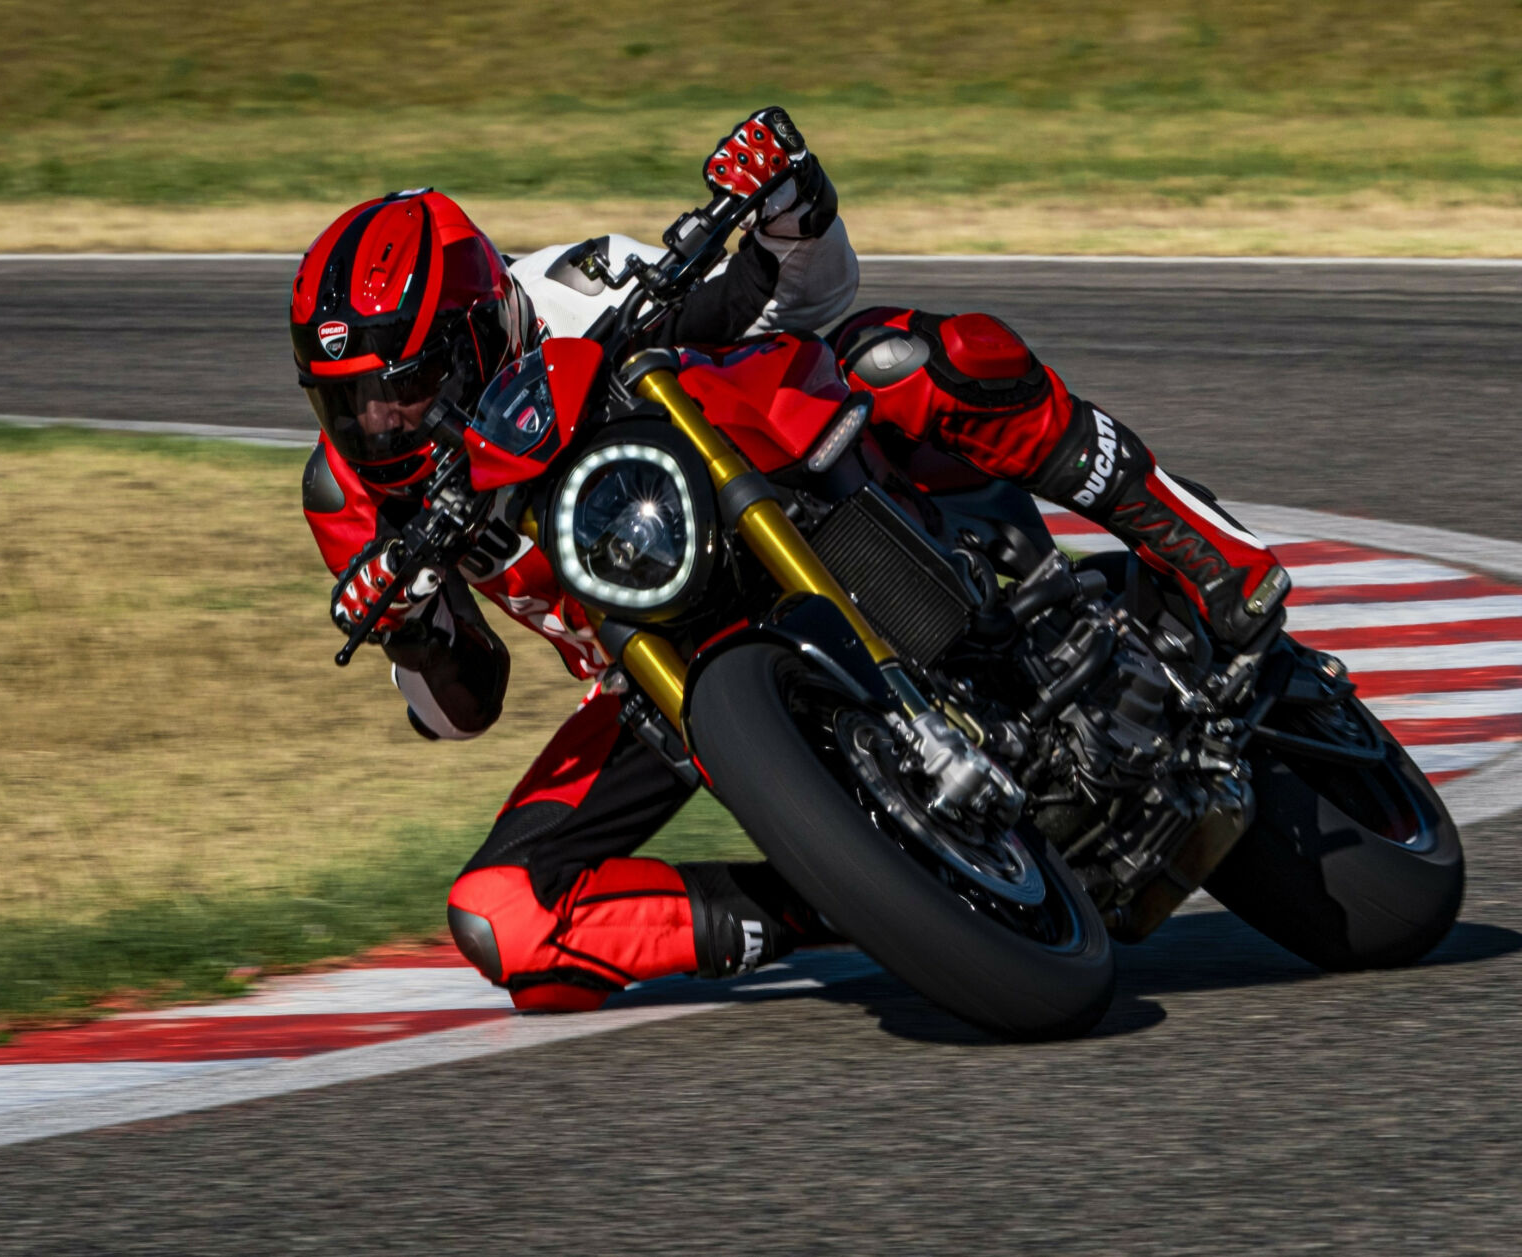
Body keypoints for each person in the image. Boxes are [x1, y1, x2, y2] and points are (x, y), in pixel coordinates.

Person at [290, 108, 1289, 1012]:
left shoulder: (573, 287)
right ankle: (856, 895)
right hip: (650, 678)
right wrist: (411, 635)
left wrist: (789, 207)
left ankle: (1208, 553)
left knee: (907, 357)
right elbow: (465, 710)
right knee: (499, 914)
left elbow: (790, 302)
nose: (381, 422)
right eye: (350, 400)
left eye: (406, 387)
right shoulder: (348, 494)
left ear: (479, 328)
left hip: (783, 498)